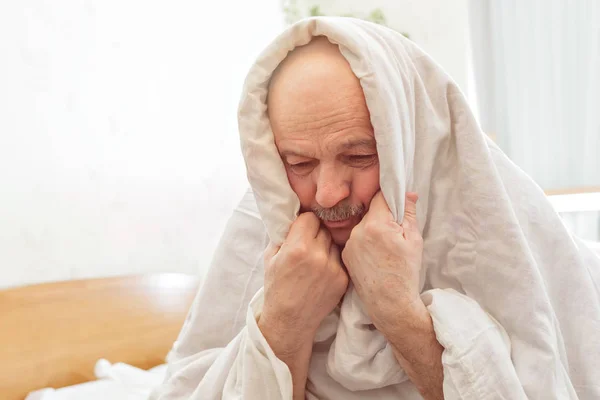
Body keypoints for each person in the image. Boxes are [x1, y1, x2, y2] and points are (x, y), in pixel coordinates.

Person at [151, 17, 600, 400]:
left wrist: (398, 312)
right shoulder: (263, 223)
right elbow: (187, 383)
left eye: (360, 156)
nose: (326, 193)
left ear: (411, 144)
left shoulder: (506, 221)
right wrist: (285, 322)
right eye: (299, 163)